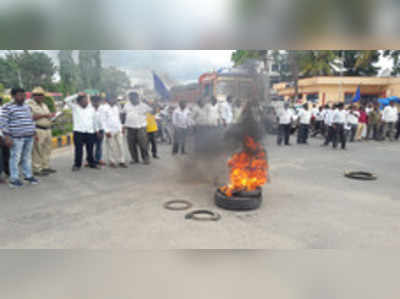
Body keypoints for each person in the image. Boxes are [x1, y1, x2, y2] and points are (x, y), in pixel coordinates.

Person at [0, 88, 39, 188]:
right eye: (20, 95)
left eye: (23, 95)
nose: (22, 97)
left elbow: (31, 120)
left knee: (27, 157)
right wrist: (7, 137)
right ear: (13, 96)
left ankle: (28, 175)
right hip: (16, 138)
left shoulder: (26, 107)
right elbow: (3, 123)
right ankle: (14, 179)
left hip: (29, 136)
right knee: (15, 158)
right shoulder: (7, 107)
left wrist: (34, 132)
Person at [64, 93, 99, 171]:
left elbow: (94, 121)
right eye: (83, 100)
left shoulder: (91, 109)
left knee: (90, 149)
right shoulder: (75, 107)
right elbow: (66, 100)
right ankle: (77, 164)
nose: (85, 102)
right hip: (78, 132)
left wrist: (96, 130)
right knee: (78, 149)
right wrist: (77, 94)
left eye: (86, 100)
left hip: (90, 132)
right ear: (79, 102)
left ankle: (91, 163)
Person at [26, 87, 56, 177]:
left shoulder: (44, 105)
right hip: (38, 129)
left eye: (41, 95)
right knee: (37, 150)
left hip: (47, 129)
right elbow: (30, 117)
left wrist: (51, 117)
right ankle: (37, 168)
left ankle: (45, 166)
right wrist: (44, 115)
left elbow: (47, 115)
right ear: (33, 96)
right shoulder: (29, 104)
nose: (40, 97)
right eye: (37, 95)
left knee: (47, 149)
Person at [122, 91, 151, 165]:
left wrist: (151, 103)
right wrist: (123, 124)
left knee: (143, 144)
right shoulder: (127, 105)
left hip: (141, 127)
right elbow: (123, 114)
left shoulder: (144, 105)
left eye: (133, 98)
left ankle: (145, 158)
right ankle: (135, 159)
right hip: (130, 127)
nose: (132, 99)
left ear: (137, 98)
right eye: (130, 98)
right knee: (131, 144)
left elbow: (152, 111)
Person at [102, 97, 128, 168]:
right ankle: (112, 161)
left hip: (118, 129)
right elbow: (103, 121)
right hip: (110, 131)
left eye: (114, 99)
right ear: (108, 100)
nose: (114, 100)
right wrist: (106, 131)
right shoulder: (104, 108)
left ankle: (121, 161)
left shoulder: (116, 107)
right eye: (112, 99)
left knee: (121, 145)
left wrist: (121, 127)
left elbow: (118, 118)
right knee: (111, 146)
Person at [91, 96, 106, 166]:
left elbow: (103, 120)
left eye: (98, 101)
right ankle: (89, 160)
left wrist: (102, 130)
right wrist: (96, 131)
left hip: (101, 129)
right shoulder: (89, 109)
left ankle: (98, 159)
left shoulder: (102, 109)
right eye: (94, 101)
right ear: (92, 102)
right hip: (91, 130)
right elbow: (92, 121)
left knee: (99, 146)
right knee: (90, 146)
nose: (96, 103)